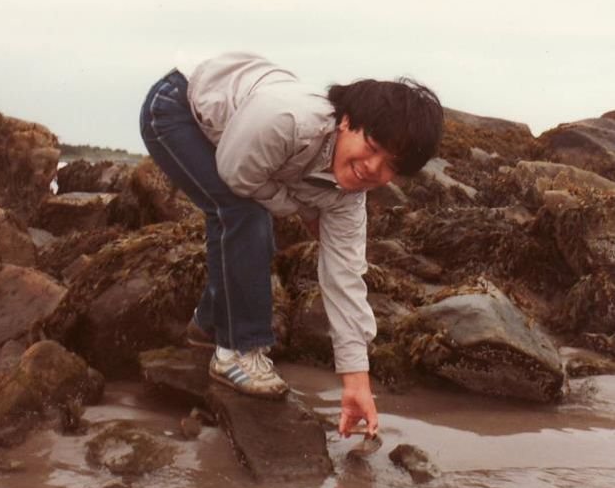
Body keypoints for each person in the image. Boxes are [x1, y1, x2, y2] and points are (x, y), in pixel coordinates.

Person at [139, 52, 443, 437]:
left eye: (392, 166)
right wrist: (304, 209)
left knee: (249, 220)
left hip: (238, 125)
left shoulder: (350, 199)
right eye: (372, 145)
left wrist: (356, 384)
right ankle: (238, 352)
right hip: (178, 108)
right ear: (347, 121)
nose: (373, 168)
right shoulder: (289, 121)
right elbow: (236, 173)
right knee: (244, 215)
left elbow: (345, 278)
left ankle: (208, 324)